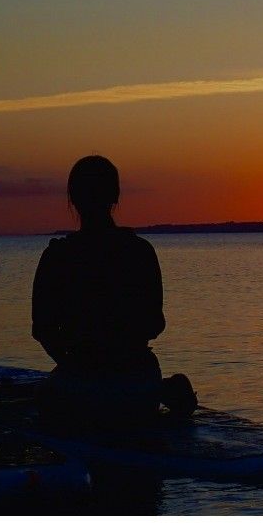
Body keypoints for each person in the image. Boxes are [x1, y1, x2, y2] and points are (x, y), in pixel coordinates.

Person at [31, 155, 165, 427]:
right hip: (137, 384)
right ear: (115, 196)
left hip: (81, 384)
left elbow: (42, 329)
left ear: (73, 199)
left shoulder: (57, 256)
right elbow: (154, 324)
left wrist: (75, 365)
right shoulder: (140, 252)